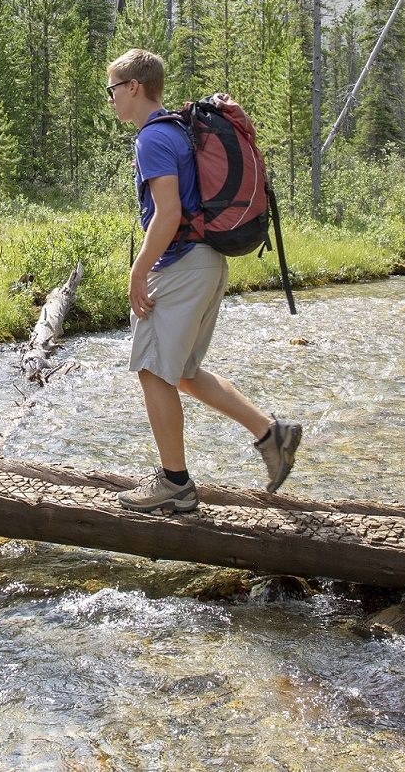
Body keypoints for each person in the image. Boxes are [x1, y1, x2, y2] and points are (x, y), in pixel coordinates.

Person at [105, 48, 302, 514]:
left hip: (180, 266)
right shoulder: (179, 130)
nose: (110, 99)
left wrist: (138, 270)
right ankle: (272, 433)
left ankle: (174, 484)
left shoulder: (152, 138)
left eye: (112, 89)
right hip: (208, 262)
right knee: (186, 373)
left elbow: (168, 213)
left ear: (134, 86)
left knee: (153, 371)